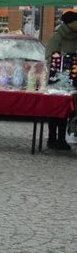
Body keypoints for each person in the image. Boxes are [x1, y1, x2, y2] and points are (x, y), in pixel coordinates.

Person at [44, 9, 77, 150]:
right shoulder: (56, 38)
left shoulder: (75, 37)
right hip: (57, 78)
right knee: (55, 108)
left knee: (67, 109)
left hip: (74, 79)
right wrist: (61, 68)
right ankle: (52, 138)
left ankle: (62, 138)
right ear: (72, 23)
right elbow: (49, 57)